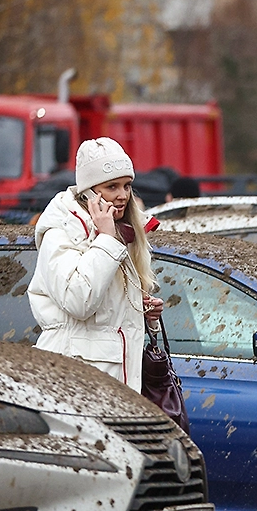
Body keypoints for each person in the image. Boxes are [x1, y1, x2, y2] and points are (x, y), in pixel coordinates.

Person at [27, 137, 163, 393]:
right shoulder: (60, 231)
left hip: (110, 383)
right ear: (88, 191)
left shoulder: (117, 230)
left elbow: (107, 319)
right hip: (73, 381)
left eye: (127, 185)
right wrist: (106, 239)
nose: (123, 195)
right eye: (112, 186)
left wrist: (144, 314)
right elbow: (78, 300)